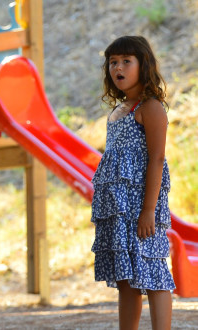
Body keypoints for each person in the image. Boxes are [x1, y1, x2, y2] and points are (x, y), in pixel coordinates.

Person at [91, 36, 174, 330]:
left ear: (144, 65)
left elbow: (156, 159)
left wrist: (149, 209)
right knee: (125, 277)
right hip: (120, 210)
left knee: (152, 270)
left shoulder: (150, 108)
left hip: (141, 207)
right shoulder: (119, 110)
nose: (118, 67)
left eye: (127, 61)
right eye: (113, 62)